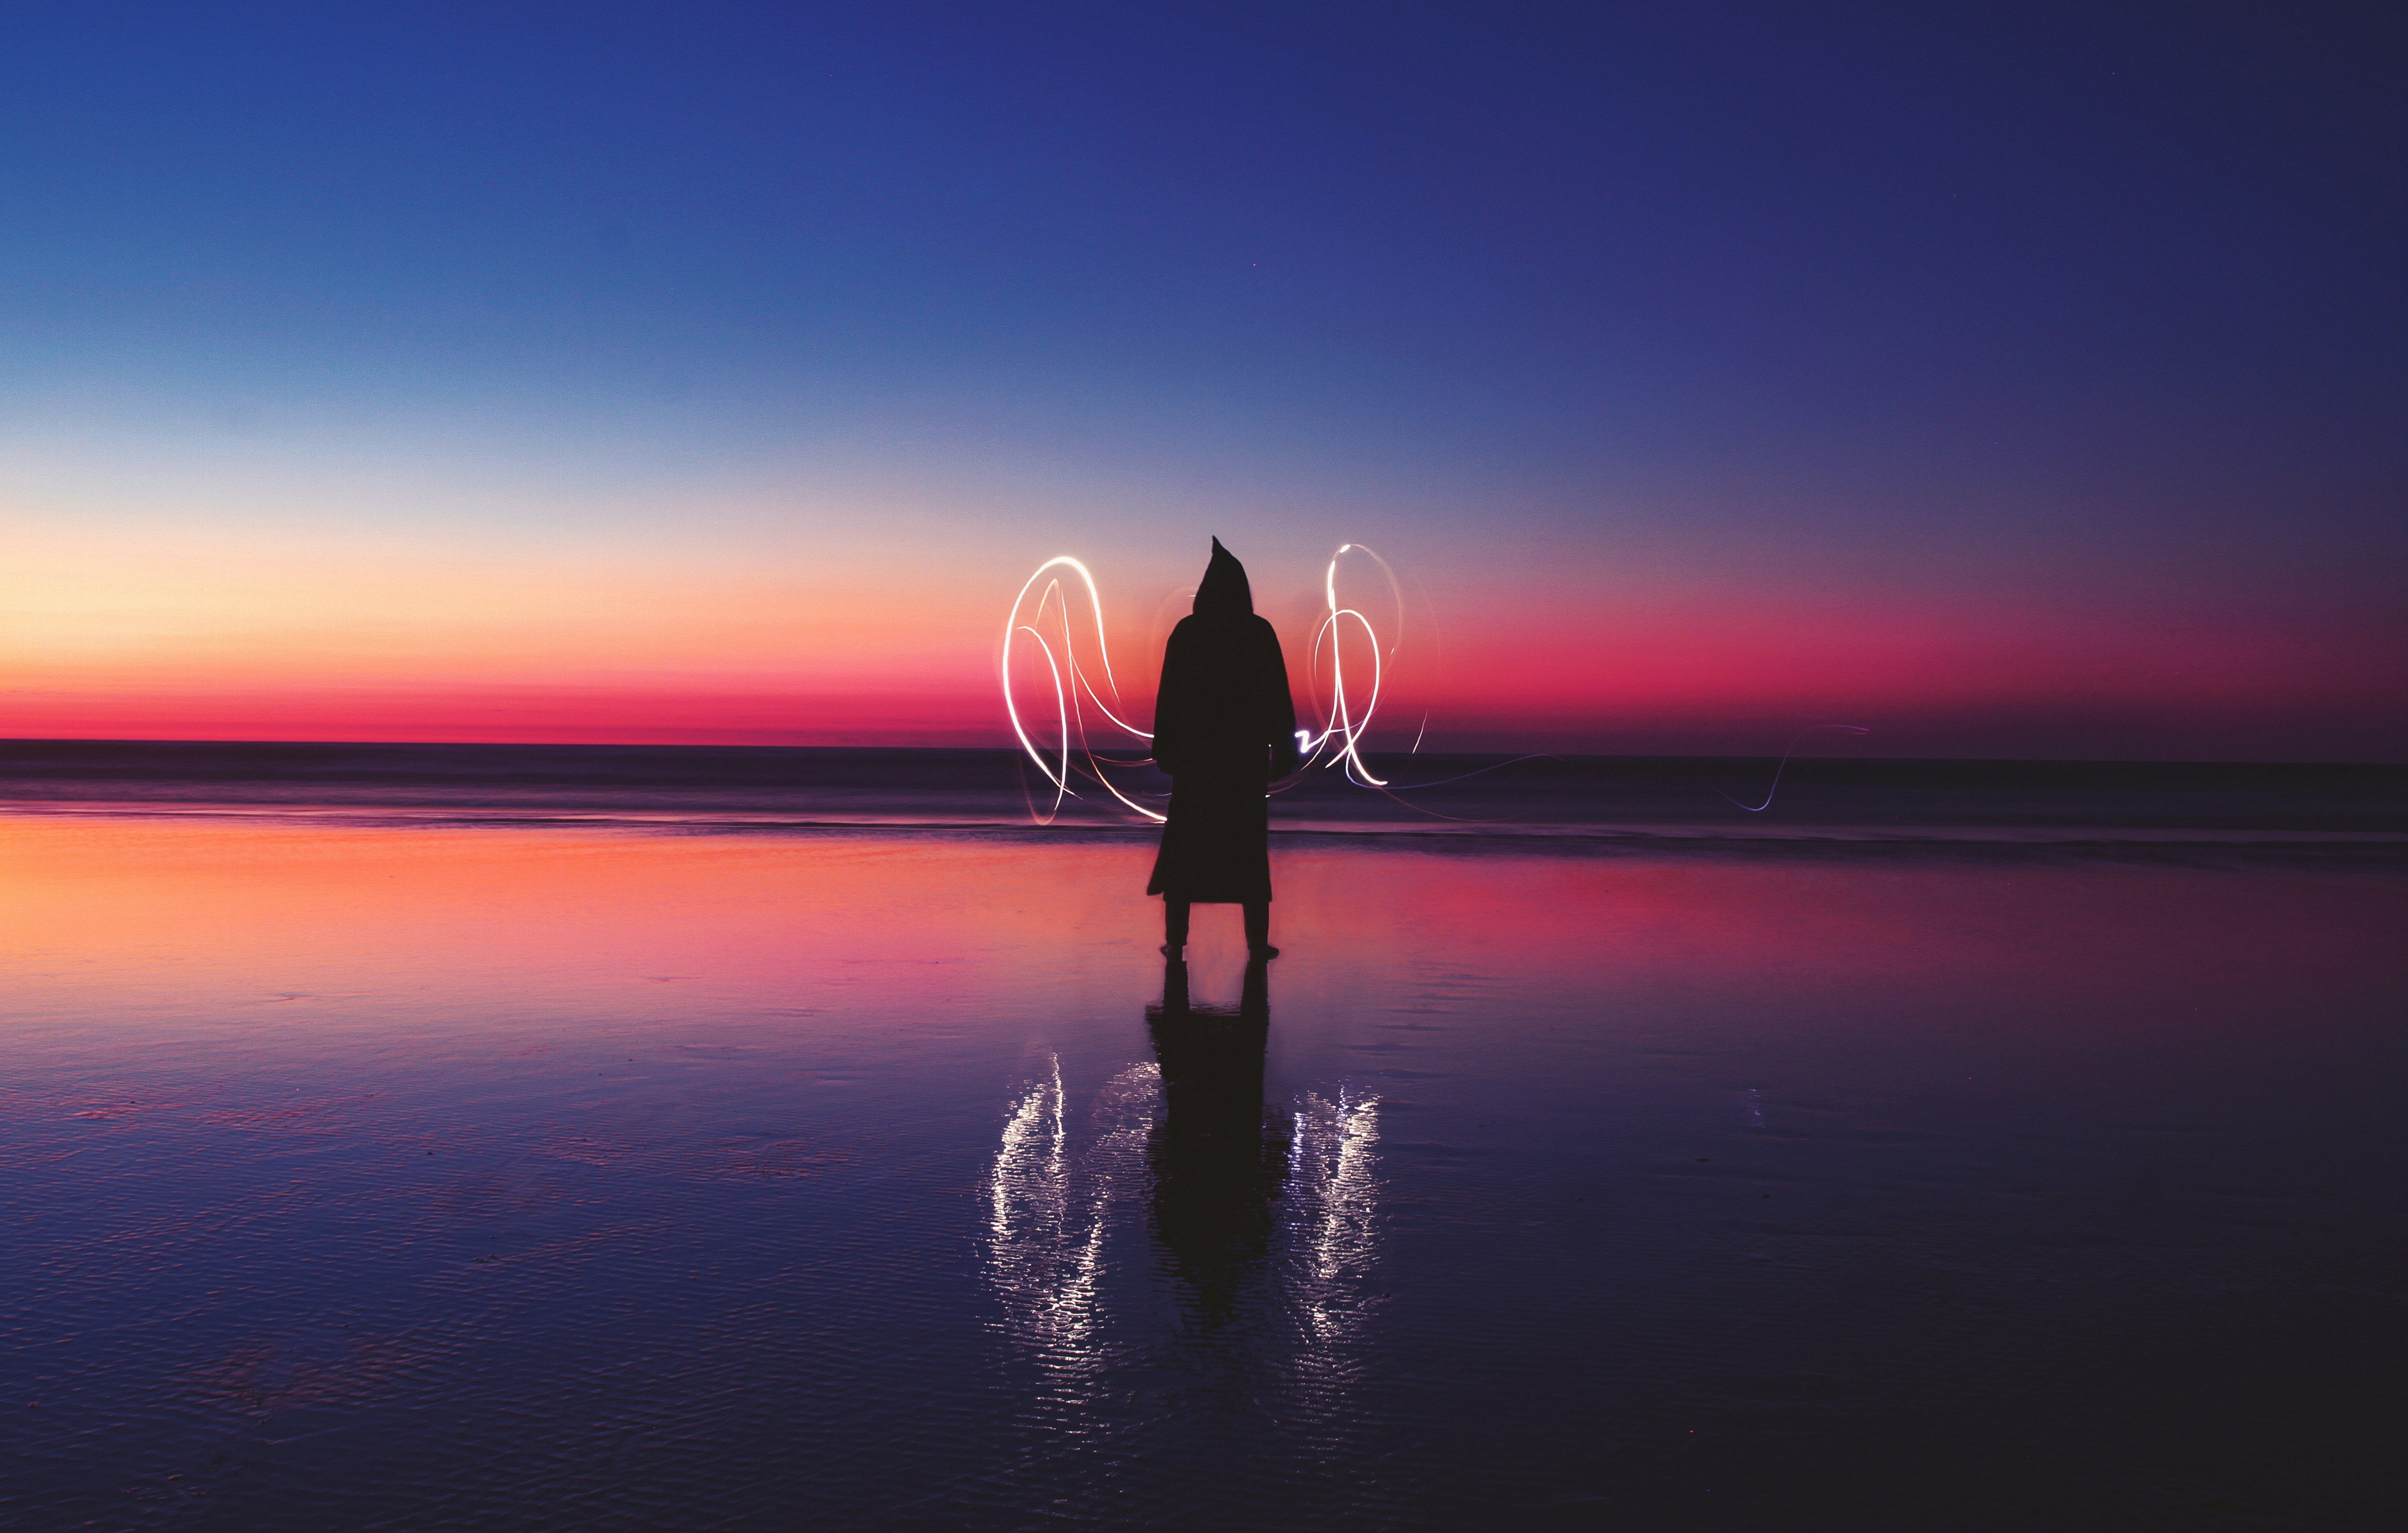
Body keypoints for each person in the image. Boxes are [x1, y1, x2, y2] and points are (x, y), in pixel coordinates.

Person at [1146, 539, 1300, 957]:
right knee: (1245, 849)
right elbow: (1276, 697)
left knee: (1188, 847)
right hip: (1242, 759)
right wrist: (1283, 751)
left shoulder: (1188, 632)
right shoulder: (1257, 632)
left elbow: (1169, 696)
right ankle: (1256, 944)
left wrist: (1166, 748)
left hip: (1197, 757)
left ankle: (1176, 942)